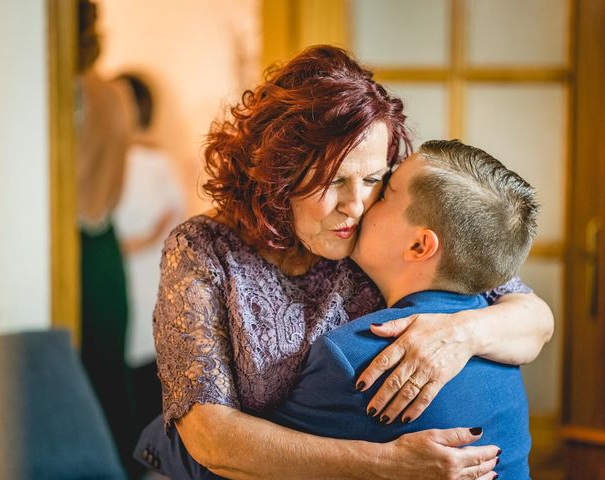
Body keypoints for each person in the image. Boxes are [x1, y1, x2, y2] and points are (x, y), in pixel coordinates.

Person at [142, 45, 553, 479]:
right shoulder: (204, 248)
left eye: (375, 179)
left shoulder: (381, 235)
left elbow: (535, 319)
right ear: (278, 176)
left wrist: (459, 333)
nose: (355, 205)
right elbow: (209, 435)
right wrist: (386, 465)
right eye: (334, 181)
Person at [75, 1, 140, 476]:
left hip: (72, 246)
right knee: (107, 372)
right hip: (106, 248)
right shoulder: (117, 94)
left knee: (77, 374)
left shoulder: (65, 91)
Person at [113, 72, 185, 434]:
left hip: (152, 276)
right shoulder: (114, 160)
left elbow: (177, 220)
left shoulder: (157, 163)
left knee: (150, 361)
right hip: (120, 274)